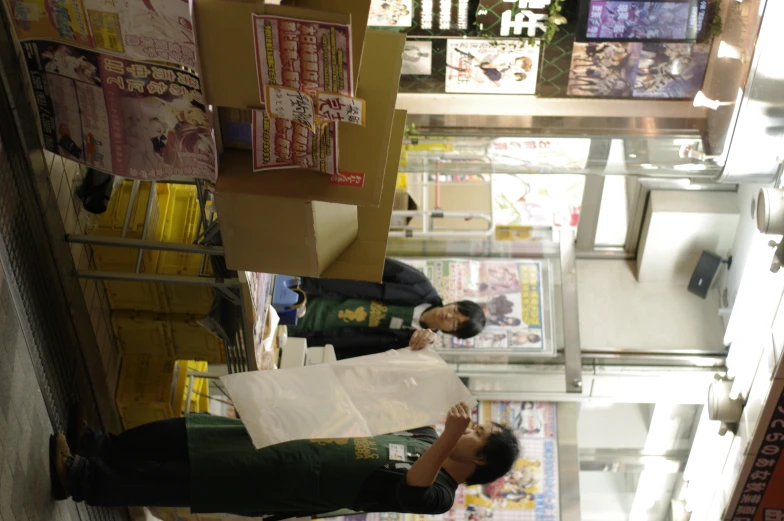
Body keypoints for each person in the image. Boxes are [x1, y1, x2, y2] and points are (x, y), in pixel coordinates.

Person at [51, 403, 520, 517]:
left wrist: (449, 436)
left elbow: (414, 486)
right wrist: (415, 352)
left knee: (189, 477)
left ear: (479, 458)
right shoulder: (425, 436)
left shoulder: (441, 497)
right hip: (288, 441)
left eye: (478, 433)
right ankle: (101, 446)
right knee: (191, 433)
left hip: (286, 481)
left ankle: (85, 480)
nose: (470, 426)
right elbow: (389, 399)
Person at [289, 258, 486, 359]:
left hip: (307, 334)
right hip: (309, 290)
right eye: (456, 310)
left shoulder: (412, 344)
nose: (449, 316)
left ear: (453, 332)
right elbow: (375, 264)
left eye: (455, 323)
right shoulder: (418, 285)